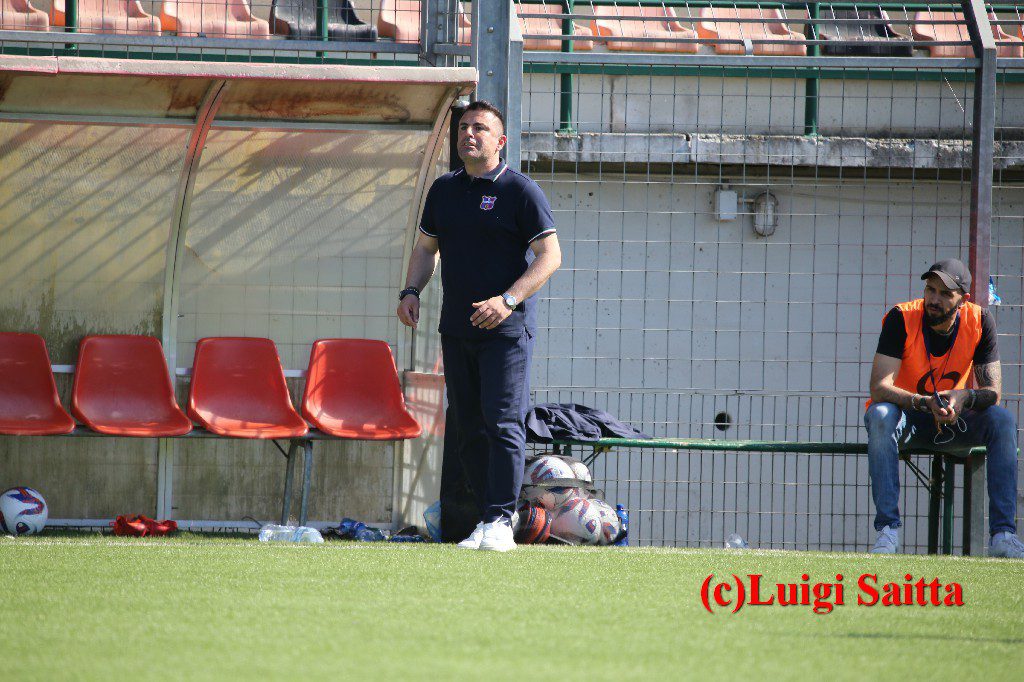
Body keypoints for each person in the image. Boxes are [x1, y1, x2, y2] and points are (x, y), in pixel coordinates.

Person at [396, 101, 561, 552]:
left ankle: (501, 522)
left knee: (503, 423)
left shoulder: (520, 191)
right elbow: (427, 249)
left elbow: (551, 257)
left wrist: (508, 301)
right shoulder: (444, 191)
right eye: (464, 127)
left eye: (480, 128)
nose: (469, 134)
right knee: (467, 425)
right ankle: (482, 521)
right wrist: (410, 291)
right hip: (457, 329)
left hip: (506, 333)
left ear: (500, 140)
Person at [865, 259, 1021, 557]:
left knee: (1002, 420)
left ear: (962, 299)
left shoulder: (980, 321)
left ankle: (1003, 535)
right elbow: (879, 387)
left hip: (955, 419)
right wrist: (923, 402)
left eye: (944, 293)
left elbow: (993, 393)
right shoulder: (902, 317)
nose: (933, 299)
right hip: (911, 418)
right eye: (930, 289)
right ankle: (888, 531)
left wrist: (963, 398)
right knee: (880, 415)